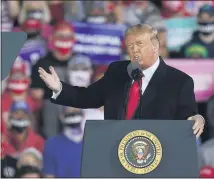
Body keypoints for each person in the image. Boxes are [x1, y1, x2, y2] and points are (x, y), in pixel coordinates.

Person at [38, 23, 205, 137]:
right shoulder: (117, 71)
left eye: (140, 44)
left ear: (155, 47)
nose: (134, 50)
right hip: (116, 152)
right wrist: (59, 88)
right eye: (130, 46)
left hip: (157, 157)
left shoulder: (179, 81)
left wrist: (198, 118)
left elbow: (188, 117)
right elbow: (88, 97)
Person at [42, 107, 84, 177]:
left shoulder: (92, 143)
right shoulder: (51, 144)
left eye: (76, 110)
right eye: (69, 111)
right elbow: (49, 176)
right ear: (61, 116)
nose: (73, 113)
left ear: (83, 115)